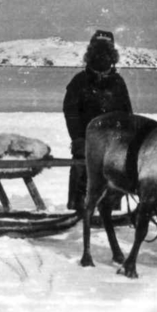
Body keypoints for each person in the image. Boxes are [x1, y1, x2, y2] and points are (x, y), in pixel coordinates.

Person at [63, 29, 133, 212]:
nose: (102, 55)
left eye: (107, 50)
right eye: (97, 50)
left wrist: (127, 137)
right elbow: (70, 112)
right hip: (87, 140)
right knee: (81, 170)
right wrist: (77, 138)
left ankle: (110, 212)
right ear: (90, 52)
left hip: (114, 142)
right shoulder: (79, 81)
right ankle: (77, 209)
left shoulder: (118, 82)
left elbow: (127, 113)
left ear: (113, 55)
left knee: (115, 174)